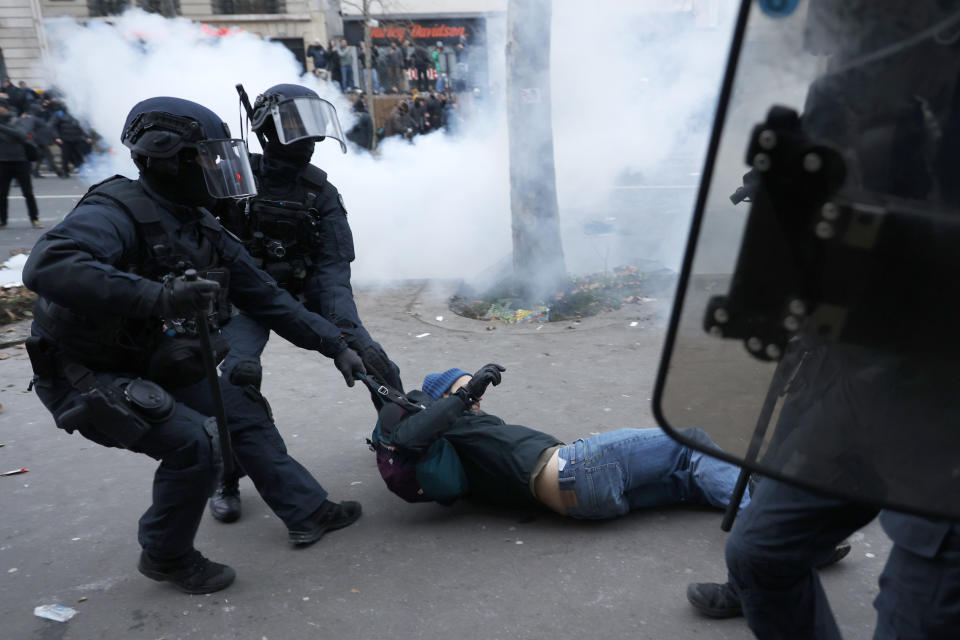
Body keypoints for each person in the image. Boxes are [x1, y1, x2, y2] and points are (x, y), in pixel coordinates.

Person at [22, 96, 365, 594]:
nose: (218, 169)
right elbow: (46, 267)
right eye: (208, 158)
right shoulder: (114, 212)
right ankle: (166, 554)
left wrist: (335, 344)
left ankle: (306, 511)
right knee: (194, 443)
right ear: (167, 158)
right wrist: (159, 297)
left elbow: (266, 298)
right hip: (85, 373)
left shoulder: (196, 222)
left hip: (147, 356)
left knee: (239, 408)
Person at [210, 84, 402, 522]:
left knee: (375, 362)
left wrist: (342, 331)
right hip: (245, 298)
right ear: (266, 132)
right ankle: (225, 475)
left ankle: (406, 442)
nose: (309, 141)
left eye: (313, 131)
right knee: (235, 378)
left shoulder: (321, 192)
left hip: (304, 290)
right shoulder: (234, 180)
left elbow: (334, 271)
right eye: (296, 130)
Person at [370, 365, 751, 516]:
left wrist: (466, 401)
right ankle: (766, 536)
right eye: (464, 385)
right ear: (443, 399)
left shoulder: (466, 447)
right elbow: (408, 437)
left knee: (688, 480)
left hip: (585, 507)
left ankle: (770, 505)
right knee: (689, 441)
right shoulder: (445, 426)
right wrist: (463, 398)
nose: (477, 393)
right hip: (579, 469)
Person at [0, 101, 41, 228]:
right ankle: (3, 220)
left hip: (20, 161)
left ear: (5, 108)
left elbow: (22, 135)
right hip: (2, 162)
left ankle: (34, 218)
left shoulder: (17, 120)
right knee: (2, 194)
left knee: (28, 192)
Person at [52, 106, 91, 176]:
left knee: (78, 155)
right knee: (66, 156)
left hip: (77, 138)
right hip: (65, 139)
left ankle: (82, 170)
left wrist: (87, 136)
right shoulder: (59, 114)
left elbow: (82, 126)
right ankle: (65, 171)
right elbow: (53, 126)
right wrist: (57, 137)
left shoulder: (77, 113)